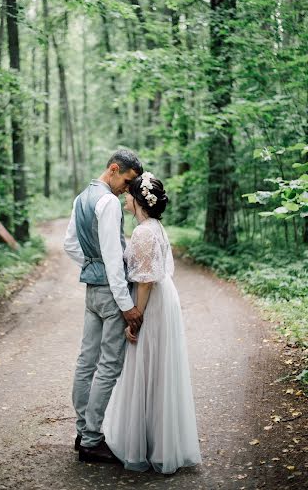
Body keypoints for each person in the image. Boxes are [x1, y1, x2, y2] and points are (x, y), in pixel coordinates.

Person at [103, 172, 202, 474]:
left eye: (129, 195)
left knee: (148, 367)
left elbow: (144, 281)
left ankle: (147, 444)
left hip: (153, 302)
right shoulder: (153, 226)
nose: (126, 199)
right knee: (157, 370)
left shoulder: (145, 232)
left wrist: (136, 317)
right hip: (163, 297)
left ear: (138, 200)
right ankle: (157, 439)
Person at [64, 149, 144, 464]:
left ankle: (83, 432)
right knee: (108, 365)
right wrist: (127, 305)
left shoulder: (82, 197)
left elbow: (69, 244)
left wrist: (91, 265)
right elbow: (113, 259)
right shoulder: (109, 203)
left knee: (86, 362)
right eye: (127, 180)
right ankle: (92, 441)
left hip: (91, 292)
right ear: (113, 169)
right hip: (111, 295)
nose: (128, 188)